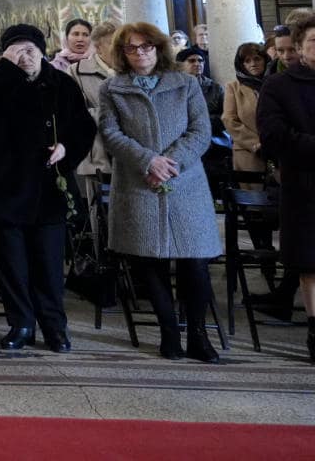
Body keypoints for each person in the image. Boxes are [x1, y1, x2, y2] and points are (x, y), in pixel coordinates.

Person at [0, 23, 94, 352]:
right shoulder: (1, 83)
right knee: (12, 263)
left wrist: (66, 147)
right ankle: (20, 324)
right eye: (18, 50)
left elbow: (83, 127)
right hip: (6, 186)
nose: (26, 55)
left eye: (31, 49)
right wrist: (6, 67)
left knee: (49, 263)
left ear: (42, 51)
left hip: (48, 186)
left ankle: (54, 326)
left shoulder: (61, 84)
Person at [98, 22, 222, 363]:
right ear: (122, 54)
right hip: (139, 182)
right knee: (148, 261)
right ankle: (169, 332)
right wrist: (147, 160)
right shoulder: (112, 88)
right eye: (132, 48)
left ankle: (197, 334)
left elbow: (201, 130)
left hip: (185, 182)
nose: (140, 53)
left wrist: (171, 161)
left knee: (194, 262)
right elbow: (110, 133)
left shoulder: (185, 84)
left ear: (158, 48)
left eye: (146, 47)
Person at [256, 19, 315, 364]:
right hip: (306, 185)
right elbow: (275, 137)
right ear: (300, 46)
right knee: (311, 263)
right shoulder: (280, 85)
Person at [50, 18, 112, 193]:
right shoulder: (66, 70)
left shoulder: (125, 70)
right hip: (91, 150)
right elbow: (71, 112)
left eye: (85, 34)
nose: (80, 39)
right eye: (75, 34)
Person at [224, 42, 271, 174]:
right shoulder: (233, 87)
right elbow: (229, 120)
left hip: (280, 152)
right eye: (247, 61)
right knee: (255, 194)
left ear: (265, 60)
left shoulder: (277, 83)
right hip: (249, 153)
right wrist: (256, 143)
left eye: (257, 59)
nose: (253, 64)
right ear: (242, 65)